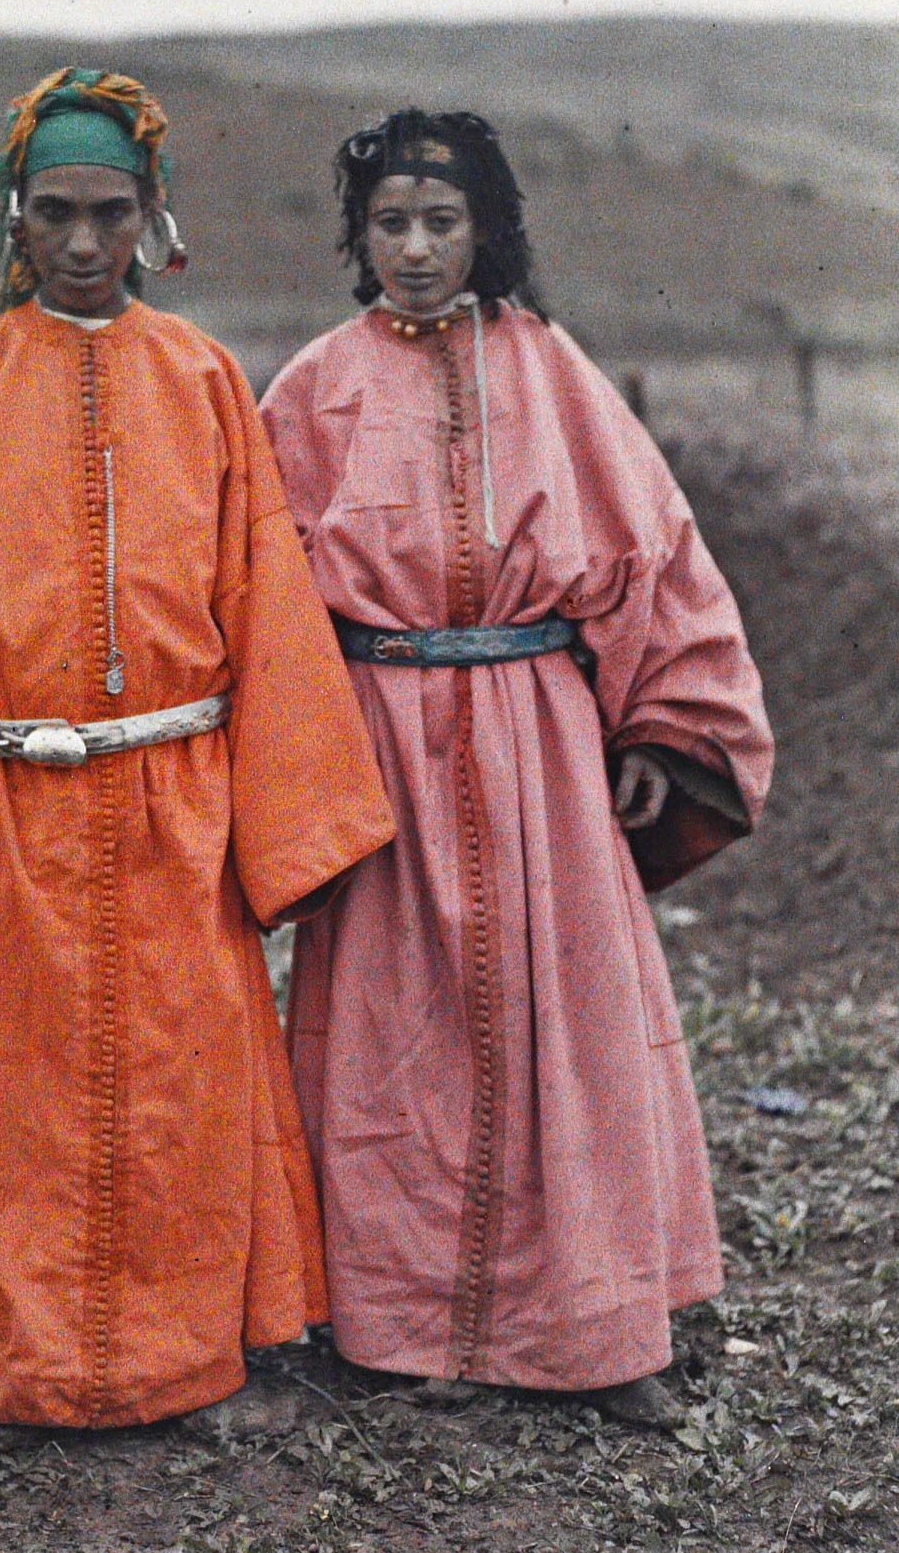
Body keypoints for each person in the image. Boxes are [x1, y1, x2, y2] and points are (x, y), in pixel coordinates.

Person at [0, 68, 394, 1433]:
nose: (81, 242)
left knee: (183, 1086)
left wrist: (296, 821)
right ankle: (15, 1366)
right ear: (15, 217)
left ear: (151, 215)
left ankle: (189, 1359)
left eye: (110, 212)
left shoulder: (206, 380)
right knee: (7, 1095)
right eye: (53, 212)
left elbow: (268, 600)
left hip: (176, 803)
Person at [258, 110, 774, 1430]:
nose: (417, 249)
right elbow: (256, 597)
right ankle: (389, 1325)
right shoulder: (314, 389)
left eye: (442, 222)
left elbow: (658, 555)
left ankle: (597, 1327)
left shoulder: (553, 374)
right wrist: (297, 767)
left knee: (569, 1030)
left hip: (540, 745)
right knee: (388, 1036)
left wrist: (658, 728)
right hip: (380, 747)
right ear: (359, 238)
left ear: (485, 229)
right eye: (390, 224)